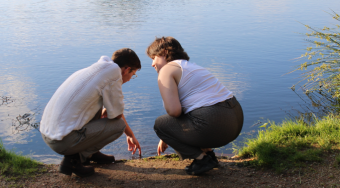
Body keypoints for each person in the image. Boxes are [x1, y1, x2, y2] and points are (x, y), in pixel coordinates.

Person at [146, 37, 244, 175]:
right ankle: (209, 155)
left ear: (164, 53)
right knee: (193, 115)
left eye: (154, 57)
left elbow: (174, 112)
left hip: (214, 121)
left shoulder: (167, 70)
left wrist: (165, 132)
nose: (152, 64)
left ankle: (201, 159)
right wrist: (167, 135)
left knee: (160, 124)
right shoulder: (190, 66)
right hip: (235, 119)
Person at [40, 48, 142, 177]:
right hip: (61, 141)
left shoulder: (94, 71)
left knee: (98, 103)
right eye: (133, 75)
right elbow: (117, 116)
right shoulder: (114, 75)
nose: (129, 79)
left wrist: (108, 109)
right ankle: (74, 160)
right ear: (126, 69)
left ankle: (91, 154)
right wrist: (130, 135)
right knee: (119, 126)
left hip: (47, 133)